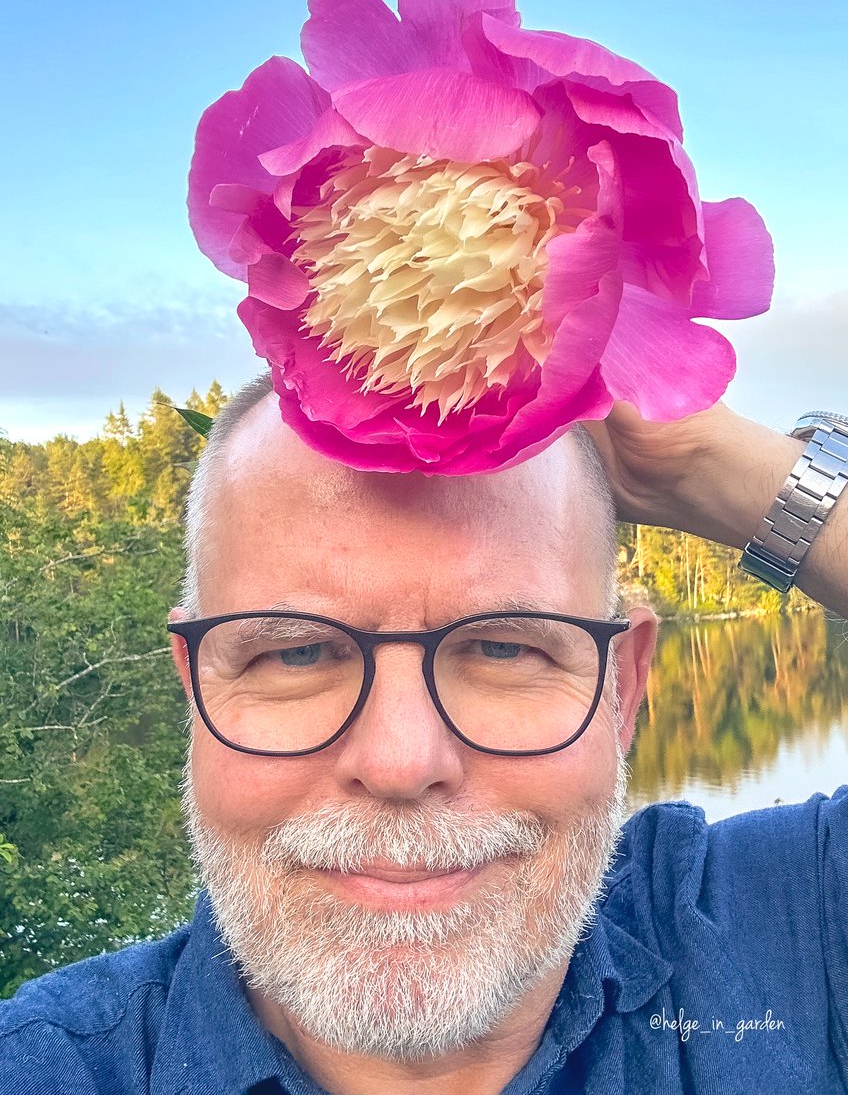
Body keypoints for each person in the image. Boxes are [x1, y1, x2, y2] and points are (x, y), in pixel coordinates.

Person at [1, 377, 846, 1095]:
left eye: (504, 646)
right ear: (196, 693)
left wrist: (713, 468)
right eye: (295, 652)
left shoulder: (795, 943)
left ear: (622, 689)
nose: (402, 763)